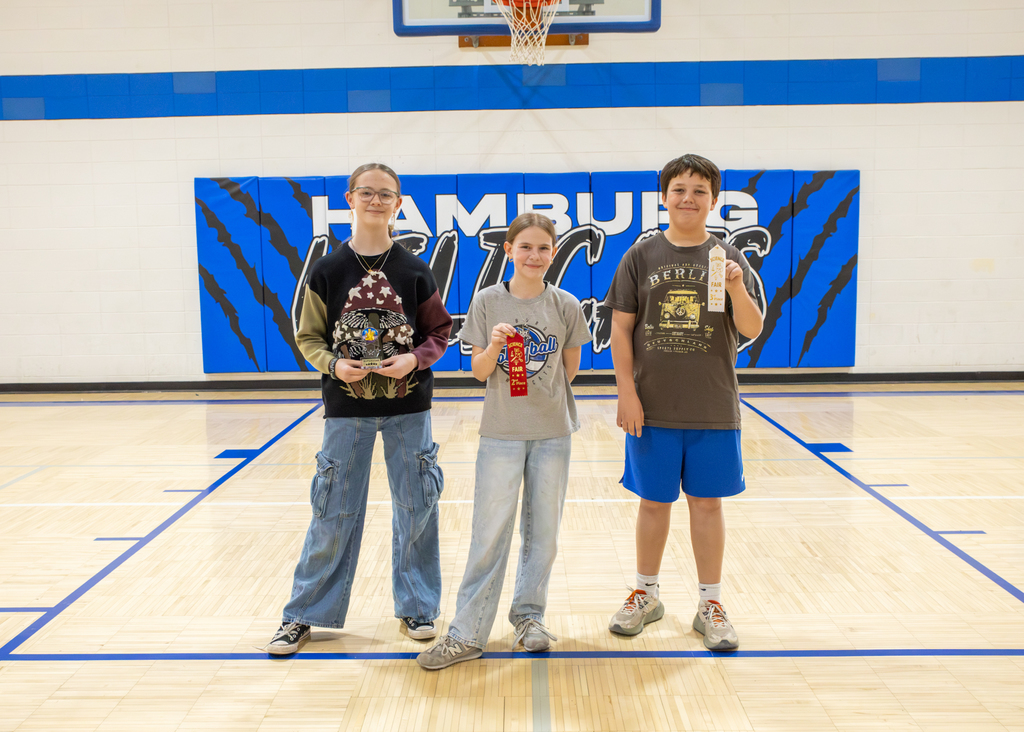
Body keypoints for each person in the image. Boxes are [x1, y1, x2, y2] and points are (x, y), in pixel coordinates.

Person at [266, 162, 453, 654]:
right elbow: (307, 336)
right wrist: (333, 365)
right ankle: (303, 614)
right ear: (350, 198)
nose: (375, 201)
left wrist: (413, 358)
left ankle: (418, 608)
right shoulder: (327, 271)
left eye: (385, 194)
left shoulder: (414, 270)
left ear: (398, 203)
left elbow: (439, 331)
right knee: (333, 510)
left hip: (409, 405)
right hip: (345, 410)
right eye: (366, 192)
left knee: (417, 507)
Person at [416, 213, 591, 670]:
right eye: (526, 247)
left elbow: (569, 369)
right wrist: (494, 347)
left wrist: (541, 396)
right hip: (501, 434)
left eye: (544, 248)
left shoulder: (566, 304)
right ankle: (467, 631)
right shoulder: (487, 302)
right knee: (489, 534)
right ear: (509, 250)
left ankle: (529, 618)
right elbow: (477, 370)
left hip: (553, 433)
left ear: (553, 253)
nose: (535, 256)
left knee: (544, 535)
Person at [604, 154, 763, 651]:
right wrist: (627, 392)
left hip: (712, 405)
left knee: (707, 504)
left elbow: (752, 329)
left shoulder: (726, 261)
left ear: (713, 200)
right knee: (653, 504)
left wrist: (737, 287)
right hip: (651, 408)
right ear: (665, 196)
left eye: (699, 190)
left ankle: (710, 603)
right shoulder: (642, 256)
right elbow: (621, 330)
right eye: (679, 189)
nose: (688, 198)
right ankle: (645, 594)